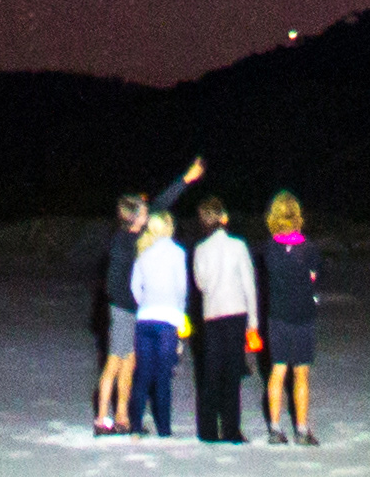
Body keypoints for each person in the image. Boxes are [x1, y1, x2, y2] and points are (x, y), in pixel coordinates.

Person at [184, 190, 259, 444]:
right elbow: (249, 284)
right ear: (223, 218)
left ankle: (207, 429)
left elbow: (200, 283)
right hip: (236, 312)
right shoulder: (238, 246)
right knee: (232, 373)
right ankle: (231, 429)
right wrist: (254, 321)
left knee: (211, 372)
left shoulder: (200, 249)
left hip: (212, 314)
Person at [127, 168, 198, 434]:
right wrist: (181, 319)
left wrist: (146, 303)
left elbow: (135, 286)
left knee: (142, 376)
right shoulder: (178, 252)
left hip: (145, 319)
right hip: (168, 321)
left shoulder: (143, 253)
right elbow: (182, 289)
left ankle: (135, 425)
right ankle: (165, 429)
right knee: (163, 378)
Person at [256, 191, 320, 443]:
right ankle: (302, 430)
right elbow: (313, 278)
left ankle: (274, 428)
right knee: (301, 373)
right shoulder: (310, 249)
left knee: (278, 370)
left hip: (278, 317)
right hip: (303, 316)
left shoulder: (269, 249)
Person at [83, 190, 149, 433]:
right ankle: (102, 420)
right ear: (133, 217)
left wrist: (185, 180)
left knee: (129, 363)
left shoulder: (135, 237)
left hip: (131, 310)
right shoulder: (122, 242)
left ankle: (122, 417)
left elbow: (162, 203)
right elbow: (112, 283)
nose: (147, 215)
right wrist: (130, 302)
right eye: (143, 212)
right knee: (114, 363)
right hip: (123, 311)